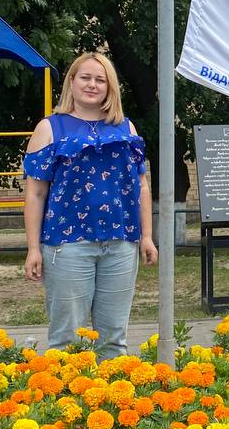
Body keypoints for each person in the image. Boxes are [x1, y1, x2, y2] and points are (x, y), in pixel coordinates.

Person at [23, 52, 158, 357]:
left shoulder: (126, 129)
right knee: (66, 341)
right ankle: (62, 402)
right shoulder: (50, 128)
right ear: (71, 81)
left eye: (101, 80)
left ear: (111, 88)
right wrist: (33, 248)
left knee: (114, 341)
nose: (93, 85)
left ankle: (111, 403)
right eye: (85, 77)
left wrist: (147, 236)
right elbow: (35, 194)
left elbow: (141, 185)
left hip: (121, 245)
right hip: (67, 246)